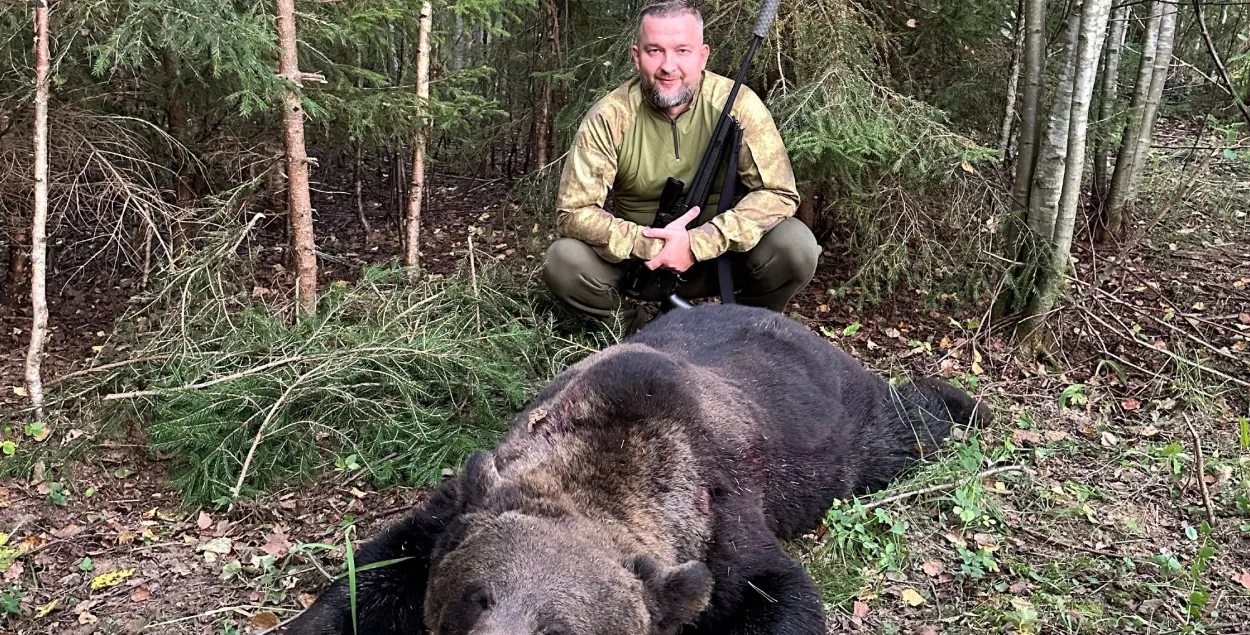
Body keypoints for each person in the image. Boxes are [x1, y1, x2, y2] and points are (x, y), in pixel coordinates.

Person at [543, 0, 821, 332]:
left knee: (796, 246)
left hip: (718, 261)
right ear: (636, 55)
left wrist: (699, 242)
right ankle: (639, 335)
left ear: (703, 55)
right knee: (563, 261)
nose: (668, 66)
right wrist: (648, 243)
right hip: (640, 265)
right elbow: (573, 212)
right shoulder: (610, 116)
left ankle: (746, 332)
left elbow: (779, 193)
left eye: (682, 51)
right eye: (655, 51)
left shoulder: (738, 104)